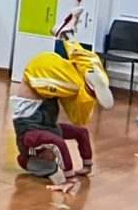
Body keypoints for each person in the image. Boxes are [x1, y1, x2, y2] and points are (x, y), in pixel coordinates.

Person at [17, 43, 102, 193]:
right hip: (48, 86)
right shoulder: (48, 134)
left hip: (37, 74)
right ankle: (73, 45)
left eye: (50, 159)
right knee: (79, 119)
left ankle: (87, 85)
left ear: (39, 155)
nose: (54, 157)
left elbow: (58, 144)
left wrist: (68, 179)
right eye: (54, 160)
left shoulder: (29, 139)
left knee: (77, 87)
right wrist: (86, 166)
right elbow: (82, 134)